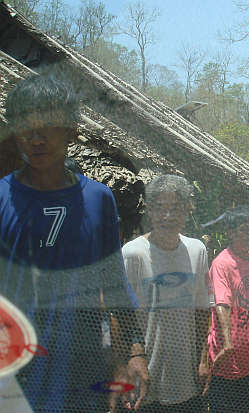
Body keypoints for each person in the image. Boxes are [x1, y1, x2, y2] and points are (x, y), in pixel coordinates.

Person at [0, 71, 148, 412]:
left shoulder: (98, 199)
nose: (35, 138)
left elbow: (113, 282)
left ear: (71, 130)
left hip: (80, 369)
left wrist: (134, 352)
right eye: (25, 126)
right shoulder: (2, 198)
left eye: (46, 125)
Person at [122, 175, 209, 412]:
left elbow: (202, 311)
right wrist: (130, 360)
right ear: (149, 210)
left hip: (186, 381)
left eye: (176, 209)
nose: (168, 216)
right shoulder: (133, 254)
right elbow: (120, 314)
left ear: (187, 210)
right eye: (160, 208)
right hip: (145, 379)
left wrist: (203, 360)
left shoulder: (197, 250)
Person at [207, 205, 249, 413]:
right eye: (245, 230)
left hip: (248, 349)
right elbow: (222, 304)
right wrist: (228, 344)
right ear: (230, 232)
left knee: (244, 406)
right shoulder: (222, 263)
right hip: (226, 353)